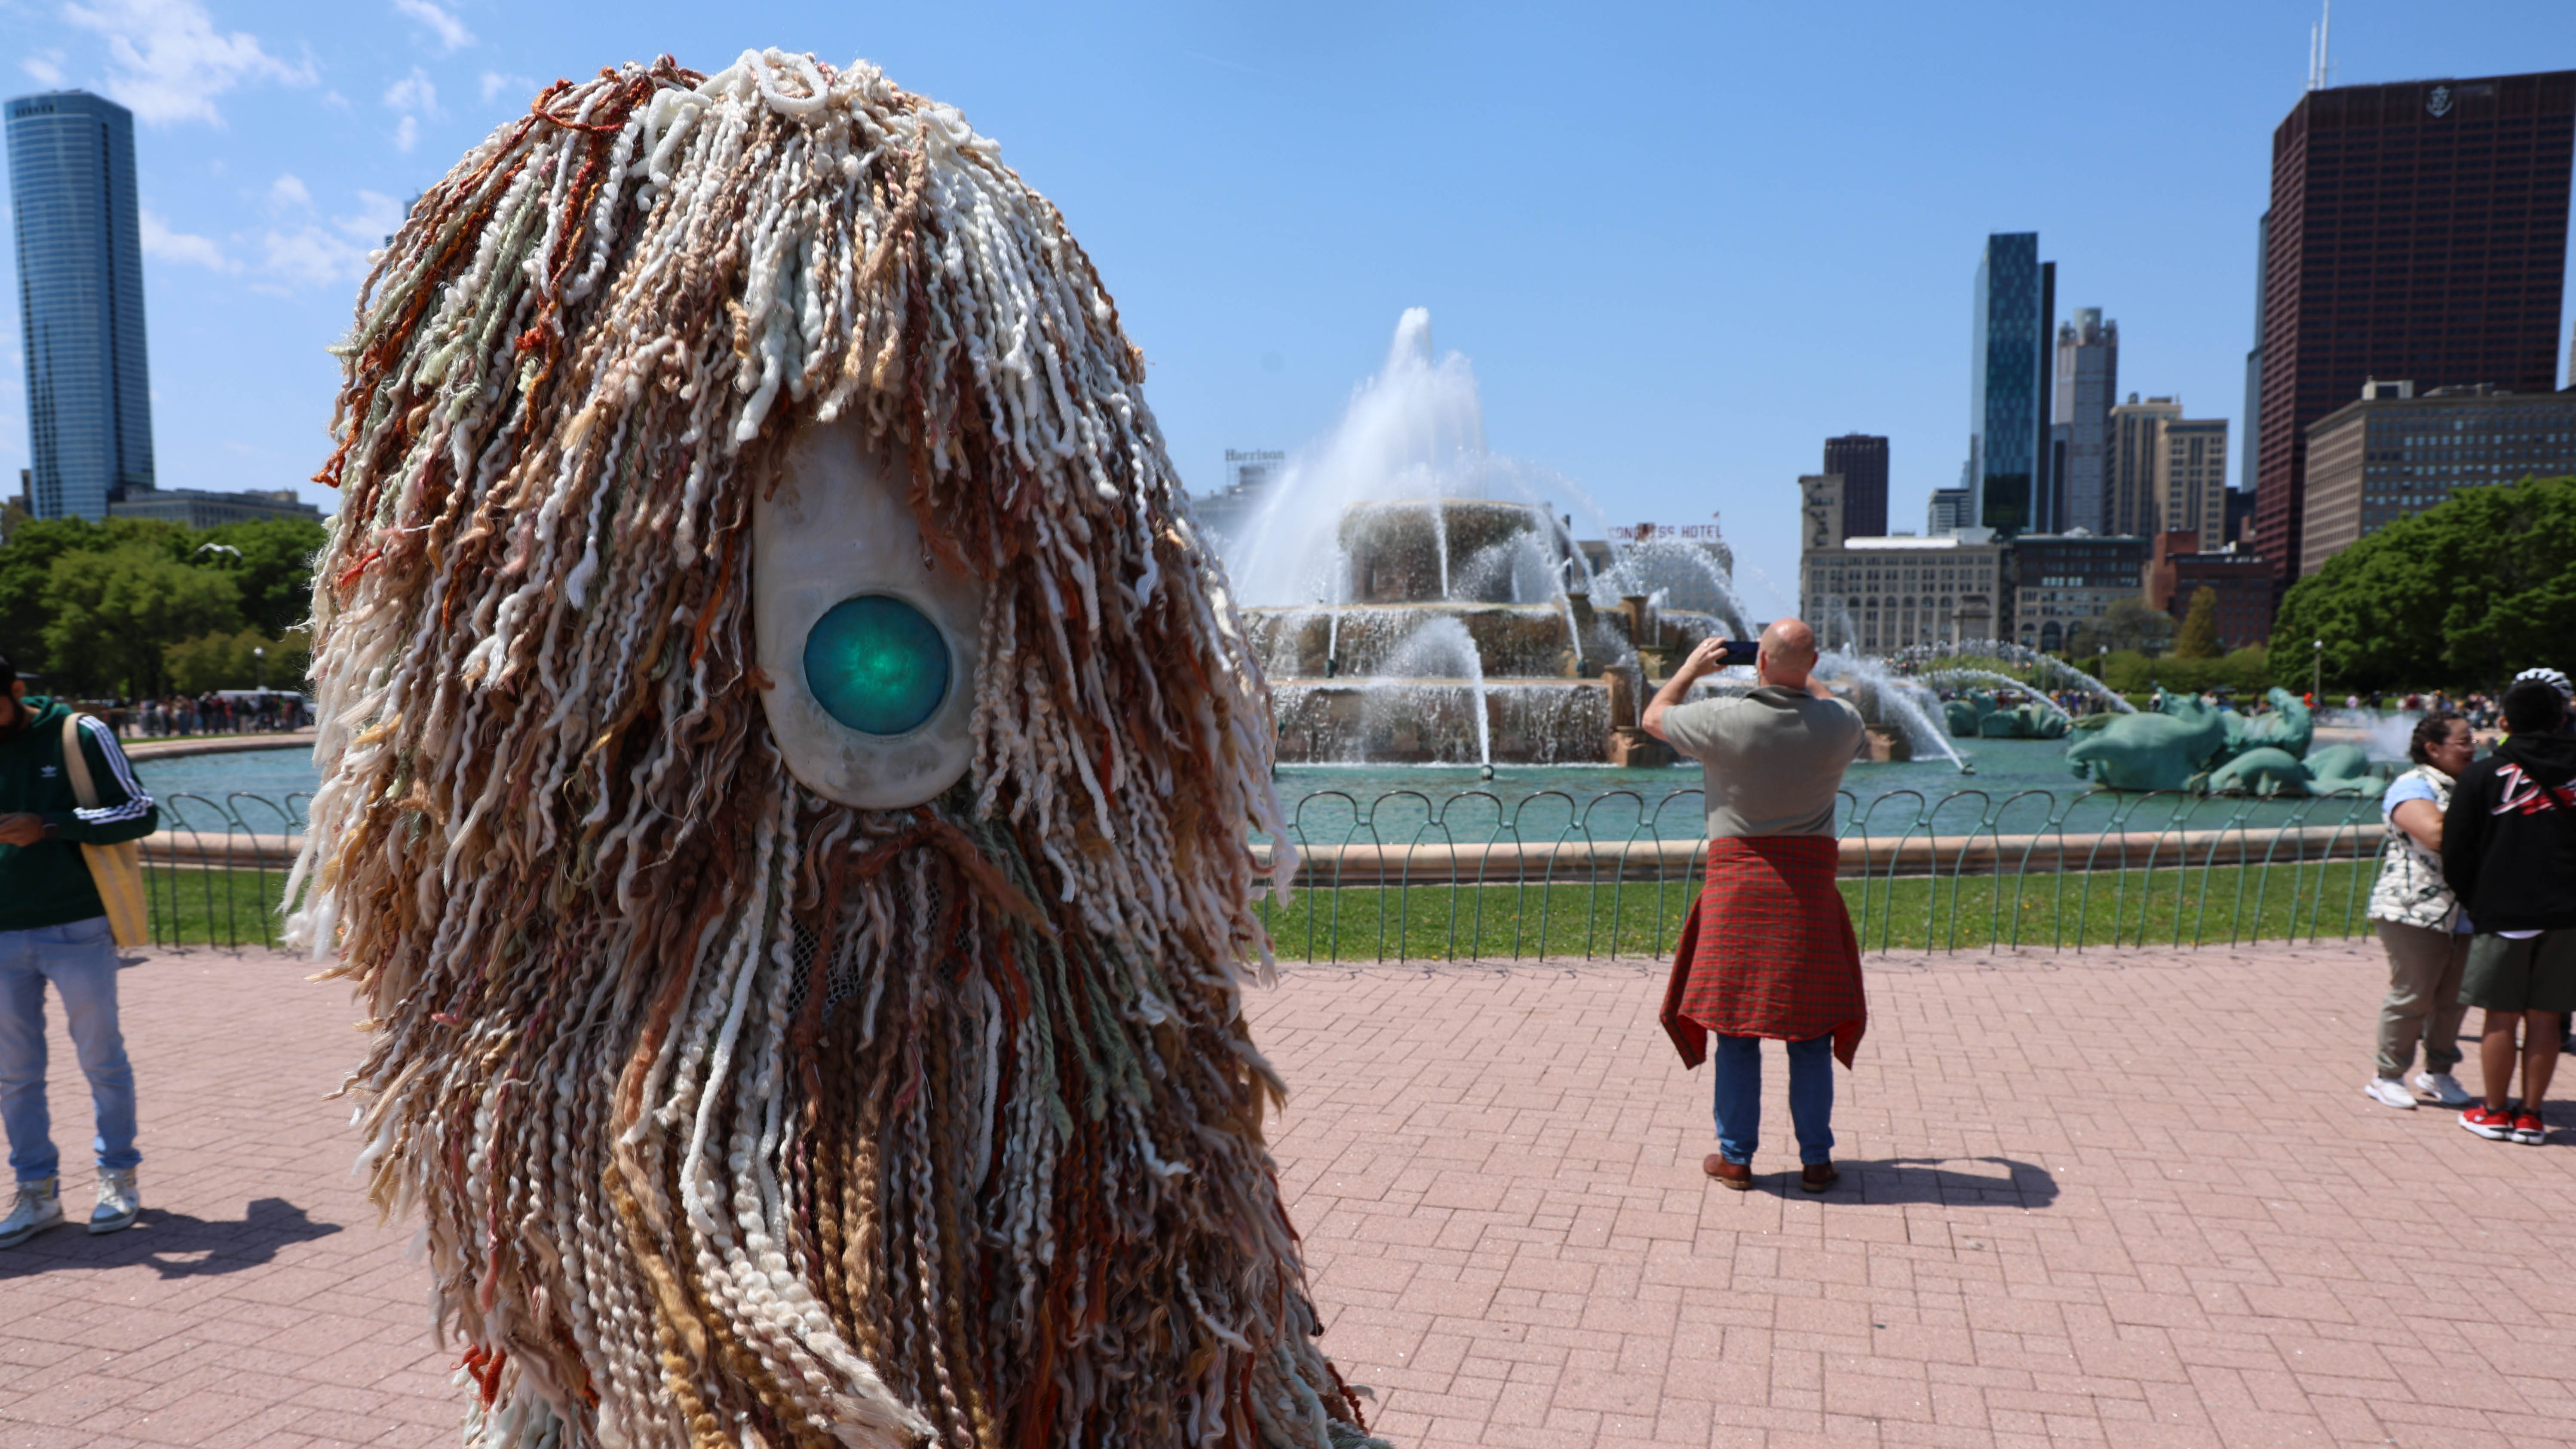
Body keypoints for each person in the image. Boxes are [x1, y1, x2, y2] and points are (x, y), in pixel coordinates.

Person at [1645, 619, 1868, 1193]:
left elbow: (1652, 718)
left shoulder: (1726, 719)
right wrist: (1806, 674)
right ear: (1812, 663)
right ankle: (1816, 1160)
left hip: (1738, 889)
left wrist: (1692, 670)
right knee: (1812, 1032)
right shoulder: (1841, 725)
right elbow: (1832, 700)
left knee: (1737, 1030)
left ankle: (1736, 1158)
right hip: (1810, 894)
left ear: (1758, 662)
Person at [0, 651, 159, 1245]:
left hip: (76, 926)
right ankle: (36, 1191)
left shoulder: (78, 732)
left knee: (102, 1059)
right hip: (3, 931)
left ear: (17, 690)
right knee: (13, 1074)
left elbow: (140, 810)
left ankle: (119, 1175)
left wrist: (50, 825)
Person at [2441, 678, 2576, 1145]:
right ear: (2562, 719)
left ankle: (2495, 1111)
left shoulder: (2482, 775)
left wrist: (2477, 900)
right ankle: (2533, 1115)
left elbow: (2456, 850)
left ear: (2502, 722)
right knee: (2546, 1016)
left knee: (2500, 1015)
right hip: (2567, 913)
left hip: (2504, 910)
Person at [2362, 711, 2476, 1110]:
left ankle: (2439, 1072)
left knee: (2455, 998)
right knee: (2413, 995)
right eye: (2463, 742)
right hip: (2414, 910)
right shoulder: (2413, 785)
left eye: (2472, 740)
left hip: (2465, 911)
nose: (2472, 748)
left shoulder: (2472, 784)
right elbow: (2435, 834)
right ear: (2433, 749)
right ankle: (2387, 1075)